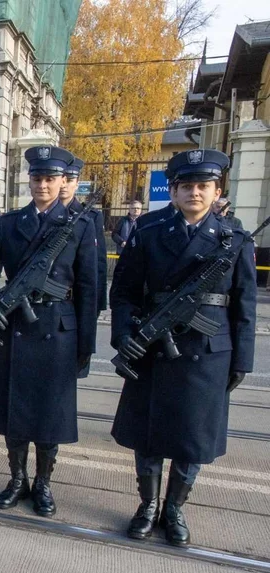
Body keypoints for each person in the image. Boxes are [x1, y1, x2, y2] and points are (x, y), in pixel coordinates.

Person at [110, 149, 256, 547]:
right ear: (172, 191)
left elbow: (245, 304)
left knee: (191, 438)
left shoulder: (234, 237)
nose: (194, 192)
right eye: (186, 186)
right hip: (153, 348)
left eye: (203, 186)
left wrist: (242, 358)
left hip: (206, 354)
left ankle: (174, 509)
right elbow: (122, 291)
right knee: (149, 435)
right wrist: (125, 335)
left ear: (216, 190)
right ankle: (147, 506)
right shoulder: (149, 231)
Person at [0, 146, 98, 517]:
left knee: (49, 415)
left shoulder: (81, 226)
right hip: (14, 328)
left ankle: (43, 483)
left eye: (50, 179)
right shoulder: (8, 224)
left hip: (58, 330)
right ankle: (17, 478)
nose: (42, 185)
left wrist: (85, 346)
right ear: (30, 180)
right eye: (36, 178)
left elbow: (89, 289)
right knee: (15, 411)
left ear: (62, 182)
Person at [60, 157, 108, 314]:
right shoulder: (44, 215)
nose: (64, 184)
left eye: (70, 179)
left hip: (77, 295)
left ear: (77, 183)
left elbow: (98, 262)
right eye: (61, 178)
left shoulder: (91, 217)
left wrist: (98, 300)